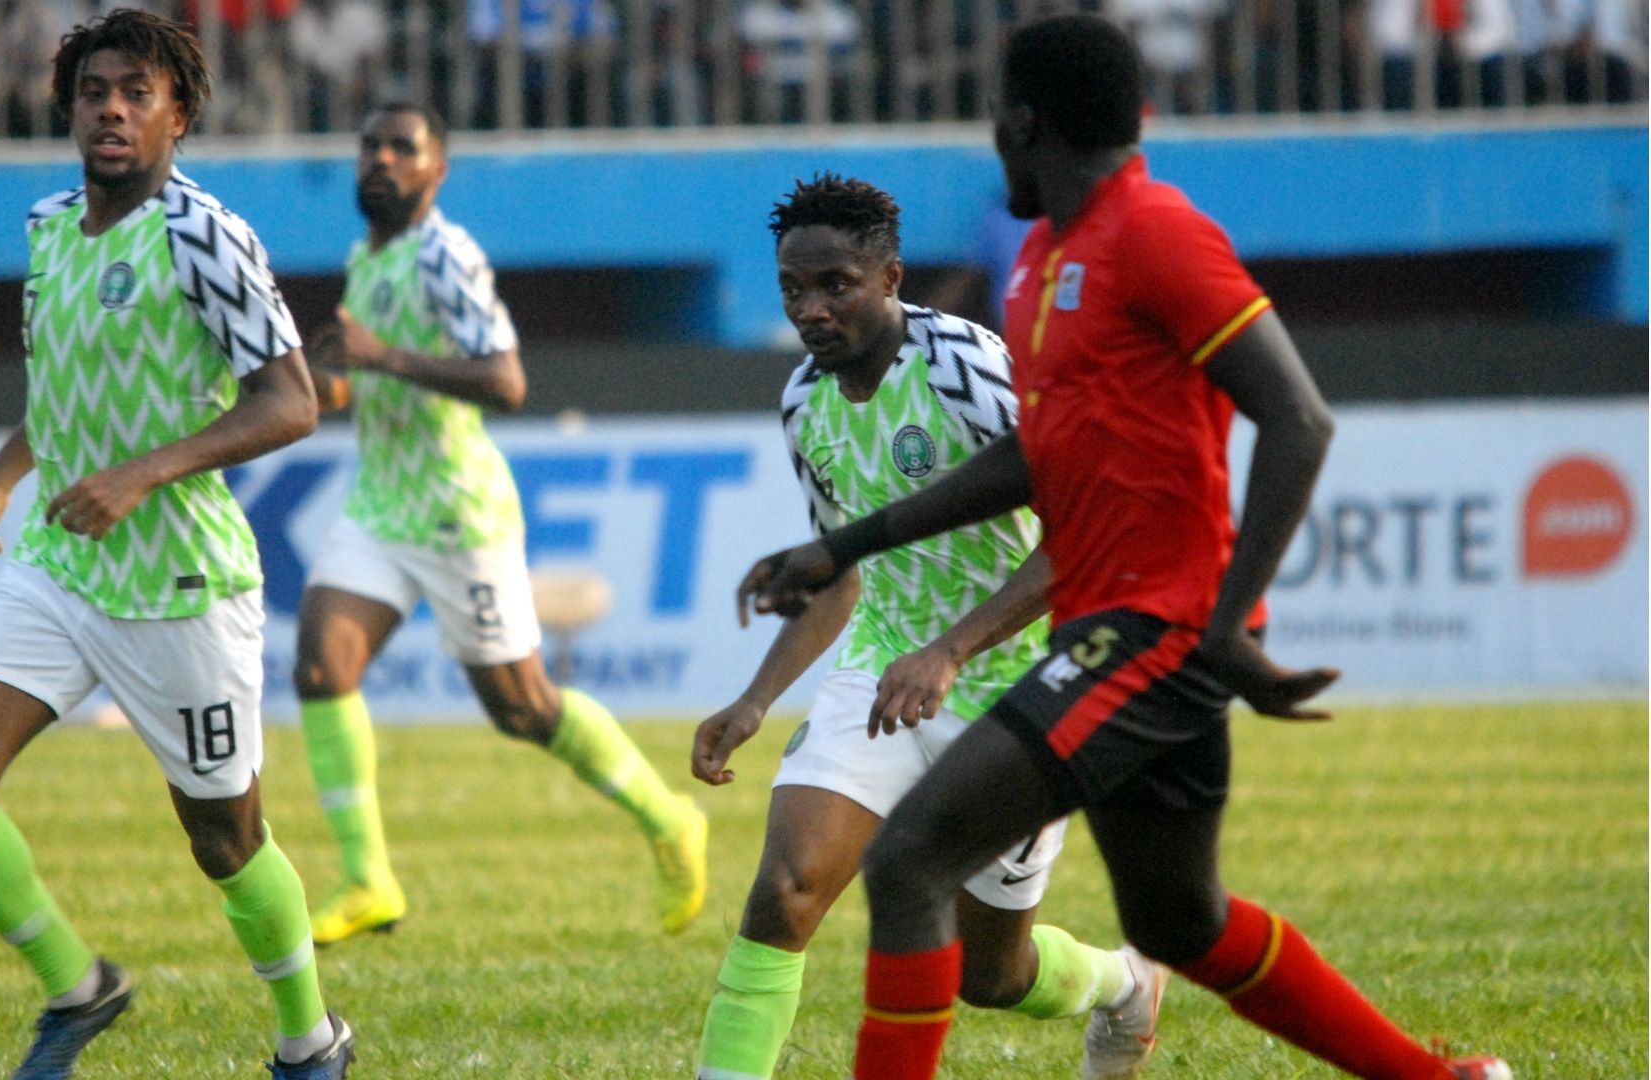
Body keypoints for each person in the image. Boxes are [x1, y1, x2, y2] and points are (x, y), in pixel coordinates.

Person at [736, 16, 1512, 1080]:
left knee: (912, 862)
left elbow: (1298, 419)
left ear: (1020, 123)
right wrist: (844, 546)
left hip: (1155, 626)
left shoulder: (1154, 231)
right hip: (1116, 623)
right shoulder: (1043, 262)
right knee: (1180, 919)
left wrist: (1228, 620)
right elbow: (1029, 464)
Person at [0, 10, 355, 1080]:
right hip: (62, 569)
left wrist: (143, 472)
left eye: (138, 93)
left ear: (178, 115)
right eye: (95, 89)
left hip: (182, 584)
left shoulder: (206, 236)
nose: (113, 106)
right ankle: (80, 989)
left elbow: (293, 404)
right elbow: (55, 398)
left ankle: (310, 1038)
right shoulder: (49, 227)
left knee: (224, 840)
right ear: (67, 108)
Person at [690, 173, 1166, 1080]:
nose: (811, 309)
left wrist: (952, 651)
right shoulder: (803, 402)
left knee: (991, 974)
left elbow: (1084, 528)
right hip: (880, 675)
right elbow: (839, 572)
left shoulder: (970, 369)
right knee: (784, 893)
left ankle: (1123, 984)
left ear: (890, 277)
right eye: (794, 288)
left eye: (836, 285)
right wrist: (756, 700)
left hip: (1022, 685)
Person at [293, 102, 708, 946]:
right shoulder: (365, 257)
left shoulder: (447, 256)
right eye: (370, 144)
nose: (381, 159)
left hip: (456, 509)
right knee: (319, 665)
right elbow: (362, 382)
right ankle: (368, 877)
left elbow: (507, 382)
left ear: (436, 170)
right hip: (382, 501)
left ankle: (670, 818)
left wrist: (381, 357)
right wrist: (322, 379)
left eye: (402, 148)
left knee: (522, 709)